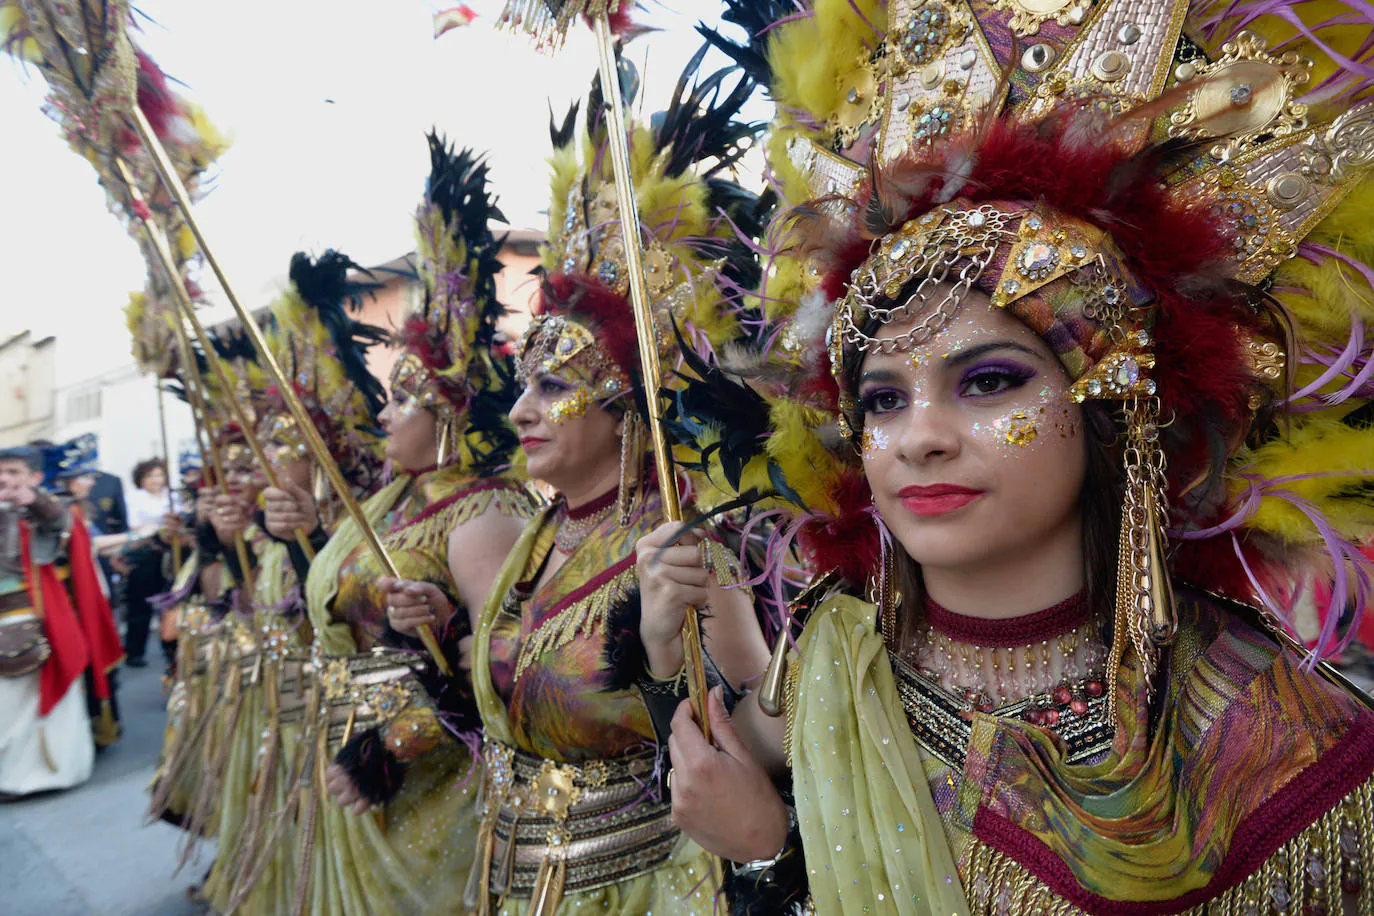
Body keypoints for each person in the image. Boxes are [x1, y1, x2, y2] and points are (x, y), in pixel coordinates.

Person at [651, 1, 1374, 913]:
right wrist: (660, 650)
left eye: (989, 381)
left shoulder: (1284, 747)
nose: (921, 435)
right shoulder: (831, 668)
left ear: (1115, 410)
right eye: (882, 399)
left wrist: (771, 866)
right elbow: (710, 772)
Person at [384, 61, 771, 915]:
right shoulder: (536, 534)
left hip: (650, 887)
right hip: (517, 882)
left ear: (626, 407)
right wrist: (440, 630)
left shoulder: (686, 540)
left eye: (553, 387)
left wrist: (672, 654)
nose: (521, 408)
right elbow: (506, 706)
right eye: (524, 383)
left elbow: (768, 737)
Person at [259, 136, 540, 916]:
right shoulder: (385, 504)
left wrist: (392, 747)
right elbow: (333, 607)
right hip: (353, 755)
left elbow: (502, 668)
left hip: (432, 779)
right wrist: (295, 536)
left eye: (403, 399)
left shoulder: (484, 511)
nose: (383, 411)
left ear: (449, 414)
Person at [195, 249, 391, 915]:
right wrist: (216, 540)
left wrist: (312, 541)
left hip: (357, 727)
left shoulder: (364, 530)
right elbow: (236, 599)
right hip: (282, 712)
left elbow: (353, 624)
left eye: (291, 448)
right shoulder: (270, 528)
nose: (272, 462)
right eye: (271, 448)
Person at [0, 446, 95, 796]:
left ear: (32, 476)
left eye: (13, 471)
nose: (5, 478)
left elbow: (57, 523)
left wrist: (30, 501)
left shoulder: (43, 506)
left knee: (35, 700)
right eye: (1, 471)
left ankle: (48, 775)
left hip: (31, 616)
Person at [122, 457, 176, 668]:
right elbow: (135, 525)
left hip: (170, 553)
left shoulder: (172, 496)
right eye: (150, 476)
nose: (156, 480)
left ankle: (170, 645)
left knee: (169, 601)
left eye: (159, 475)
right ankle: (135, 651)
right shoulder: (135, 498)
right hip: (145, 554)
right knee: (141, 604)